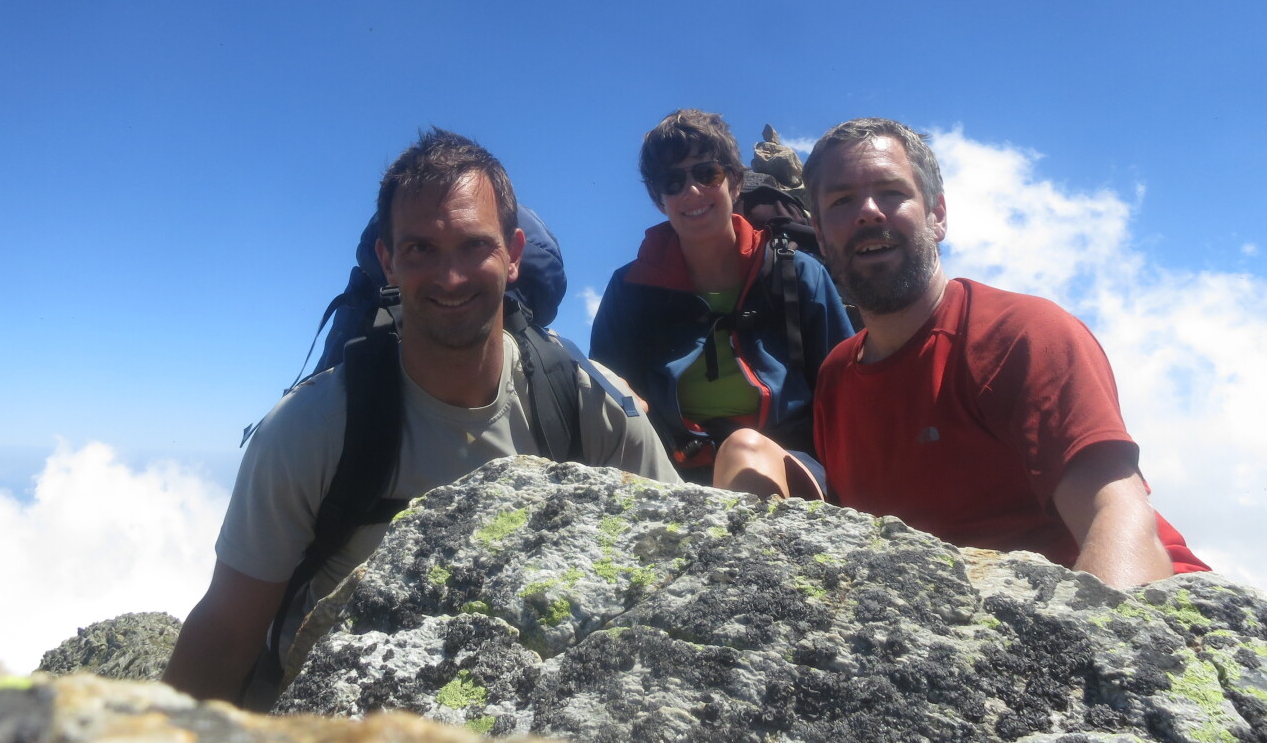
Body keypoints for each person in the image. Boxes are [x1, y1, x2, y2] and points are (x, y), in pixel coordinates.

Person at [163, 129, 680, 704]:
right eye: (420, 250)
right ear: (387, 262)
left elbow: (684, 567)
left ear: (512, 254)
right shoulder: (312, 429)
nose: (451, 277)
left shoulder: (586, 405)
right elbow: (225, 636)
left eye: (473, 246)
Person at [802, 117, 1207, 585]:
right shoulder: (836, 377)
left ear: (938, 215)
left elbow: (1116, 514)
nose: (868, 212)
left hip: (1140, 617)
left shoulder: (1020, 334)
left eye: (892, 192)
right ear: (819, 231)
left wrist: (1088, 650)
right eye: (841, 200)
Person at [590, 110, 855, 499]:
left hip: (790, 458)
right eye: (672, 181)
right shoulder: (631, 290)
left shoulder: (795, 274)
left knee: (744, 448)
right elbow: (609, 397)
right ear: (659, 198)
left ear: (736, 181)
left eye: (706, 173)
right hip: (669, 468)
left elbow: (845, 392)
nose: (691, 192)